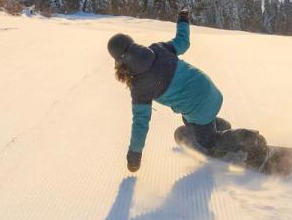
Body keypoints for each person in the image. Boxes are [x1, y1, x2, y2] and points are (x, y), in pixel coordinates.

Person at [108, 9, 269, 172]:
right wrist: (183, 19)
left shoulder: (139, 86)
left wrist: (135, 153)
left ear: (120, 62)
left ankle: (251, 140)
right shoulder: (158, 49)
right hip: (211, 90)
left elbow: (140, 123)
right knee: (190, 121)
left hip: (201, 107)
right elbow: (183, 42)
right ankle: (219, 126)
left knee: (209, 141)